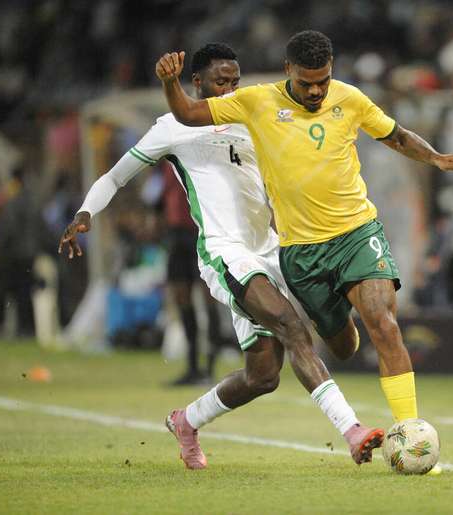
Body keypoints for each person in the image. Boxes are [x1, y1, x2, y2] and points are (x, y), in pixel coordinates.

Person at [59, 42, 383, 470]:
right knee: (291, 326)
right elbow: (115, 177)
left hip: (273, 248)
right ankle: (352, 430)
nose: (230, 89)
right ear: (197, 82)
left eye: (235, 80)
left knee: (263, 376)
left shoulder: (251, 115)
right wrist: (85, 213)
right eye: (220, 81)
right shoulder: (173, 126)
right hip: (224, 253)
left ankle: (186, 421)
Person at [155, 31, 453, 442]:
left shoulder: (349, 99)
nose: (317, 90)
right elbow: (190, 114)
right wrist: (169, 83)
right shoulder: (256, 101)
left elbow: (396, 135)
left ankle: (410, 432)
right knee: (343, 347)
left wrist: (436, 158)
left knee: (384, 321)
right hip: (302, 253)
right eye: (307, 82)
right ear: (288, 70)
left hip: (357, 232)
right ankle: (342, 314)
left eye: (324, 80)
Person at [161, 168, 224, 386]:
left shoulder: (198, 152)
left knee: (209, 297)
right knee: (181, 297)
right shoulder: (164, 157)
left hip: (200, 231)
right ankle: (192, 367)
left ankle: (210, 368)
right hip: (175, 234)